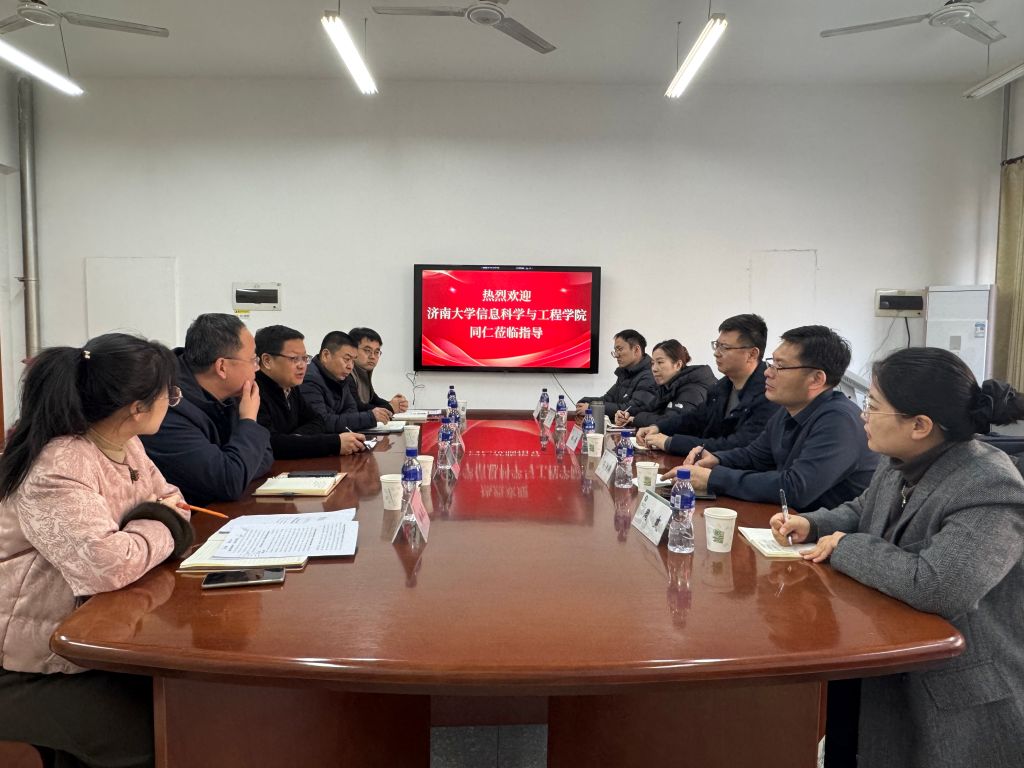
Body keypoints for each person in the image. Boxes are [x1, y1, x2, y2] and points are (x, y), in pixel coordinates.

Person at [772, 347, 1024, 768]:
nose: (863, 416)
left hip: (955, 690)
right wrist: (812, 524)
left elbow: (939, 586)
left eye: (872, 406)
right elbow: (864, 509)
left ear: (920, 425)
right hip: (885, 655)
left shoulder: (990, 485)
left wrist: (846, 546)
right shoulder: (900, 460)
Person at [0, 333, 194, 768]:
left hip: (86, 639)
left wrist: (155, 522)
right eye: (170, 394)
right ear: (137, 407)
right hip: (29, 661)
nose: (173, 402)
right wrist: (160, 522)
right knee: (163, 733)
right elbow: (105, 566)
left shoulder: (126, 444)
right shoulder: (59, 463)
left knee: (186, 701)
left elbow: (174, 500)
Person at [674, 325, 877, 509]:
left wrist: (714, 478)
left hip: (824, 533)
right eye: (771, 363)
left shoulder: (839, 421)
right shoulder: (788, 409)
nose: (767, 373)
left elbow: (794, 489)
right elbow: (755, 456)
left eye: (780, 366)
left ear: (816, 379)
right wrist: (716, 459)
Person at [141, 313, 274, 505]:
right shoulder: (166, 406)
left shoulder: (231, 394)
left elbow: (265, 455)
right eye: (253, 359)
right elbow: (228, 482)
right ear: (222, 367)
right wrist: (248, 422)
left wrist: (239, 466)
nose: (257, 368)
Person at [637, 314, 781, 455]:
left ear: (752, 354)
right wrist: (658, 427)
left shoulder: (769, 393)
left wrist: (671, 442)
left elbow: (738, 445)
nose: (716, 353)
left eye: (725, 347)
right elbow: (695, 418)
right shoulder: (721, 387)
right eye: (716, 345)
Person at [254, 325, 366, 459]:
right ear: (267, 361)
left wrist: (294, 440)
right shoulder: (254, 391)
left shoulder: (290, 387)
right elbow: (270, 444)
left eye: (304, 358)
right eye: (294, 358)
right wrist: (334, 443)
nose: (302, 365)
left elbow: (317, 421)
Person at [301, 331, 391, 432]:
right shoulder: (309, 379)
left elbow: (352, 411)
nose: (350, 367)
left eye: (353, 361)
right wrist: (370, 417)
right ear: (326, 355)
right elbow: (322, 422)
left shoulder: (341, 377)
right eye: (347, 359)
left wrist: (340, 420)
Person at [614, 340, 715, 427]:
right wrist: (626, 414)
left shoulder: (693, 390)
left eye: (660, 362)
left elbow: (673, 423)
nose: (654, 369)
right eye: (652, 363)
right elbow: (650, 409)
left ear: (678, 365)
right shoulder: (667, 386)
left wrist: (635, 419)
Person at [575, 329, 658, 416]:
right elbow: (608, 399)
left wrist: (592, 408)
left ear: (636, 350)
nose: (616, 355)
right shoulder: (625, 373)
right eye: (615, 350)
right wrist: (586, 401)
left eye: (620, 349)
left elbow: (632, 409)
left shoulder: (650, 375)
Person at [348, 327, 409, 415]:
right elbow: (357, 407)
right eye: (367, 350)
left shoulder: (363, 372)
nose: (373, 356)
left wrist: (395, 404)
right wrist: (391, 407)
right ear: (352, 350)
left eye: (377, 352)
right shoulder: (347, 374)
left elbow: (373, 400)